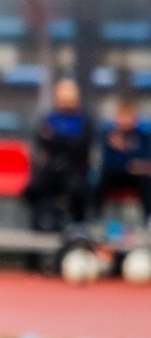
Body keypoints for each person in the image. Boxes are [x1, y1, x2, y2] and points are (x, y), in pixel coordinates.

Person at [23, 79, 93, 232]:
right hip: (52, 167)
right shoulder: (49, 118)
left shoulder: (83, 120)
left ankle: (78, 224)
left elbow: (82, 145)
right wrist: (66, 140)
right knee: (33, 188)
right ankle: (46, 219)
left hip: (74, 168)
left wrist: (56, 138)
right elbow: (42, 140)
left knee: (77, 189)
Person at [93, 97, 151, 225]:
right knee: (98, 181)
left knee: (147, 182)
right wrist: (128, 161)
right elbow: (108, 162)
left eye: (129, 116)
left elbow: (146, 160)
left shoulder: (143, 134)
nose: (125, 120)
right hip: (114, 174)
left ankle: (148, 217)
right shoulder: (108, 134)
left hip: (136, 177)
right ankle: (96, 217)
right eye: (122, 116)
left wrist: (127, 152)